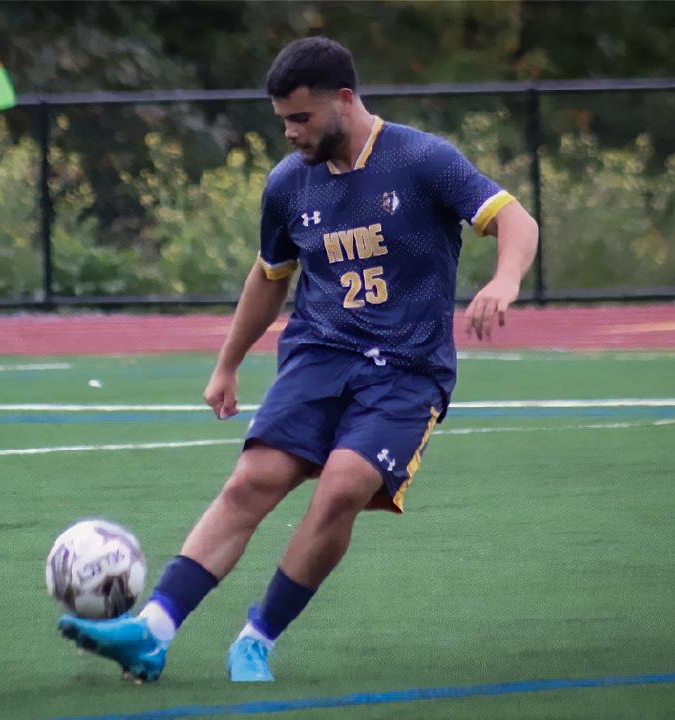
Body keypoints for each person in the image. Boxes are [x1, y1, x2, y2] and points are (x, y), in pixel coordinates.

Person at [59, 35, 538, 683]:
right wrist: (226, 364)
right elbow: (269, 276)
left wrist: (504, 281)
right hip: (318, 354)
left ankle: (257, 636)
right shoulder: (287, 185)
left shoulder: (422, 159)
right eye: (282, 119)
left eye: (301, 117)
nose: (289, 132)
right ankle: (151, 632)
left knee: (342, 487)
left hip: (408, 368)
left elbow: (515, 220)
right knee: (251, 481)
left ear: (345, 99)